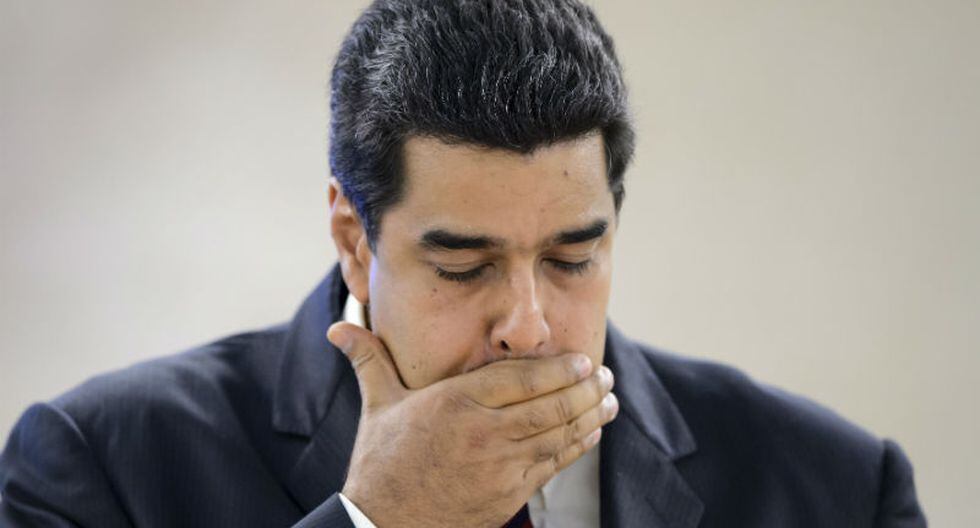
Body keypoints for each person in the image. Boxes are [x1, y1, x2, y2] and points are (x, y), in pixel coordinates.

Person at [0, 0, 927, 526]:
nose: (527, 324)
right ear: (353, 239)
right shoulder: (100, 467)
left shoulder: (839, 488)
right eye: (463, 264)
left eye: (572, 256)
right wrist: (375, 521)